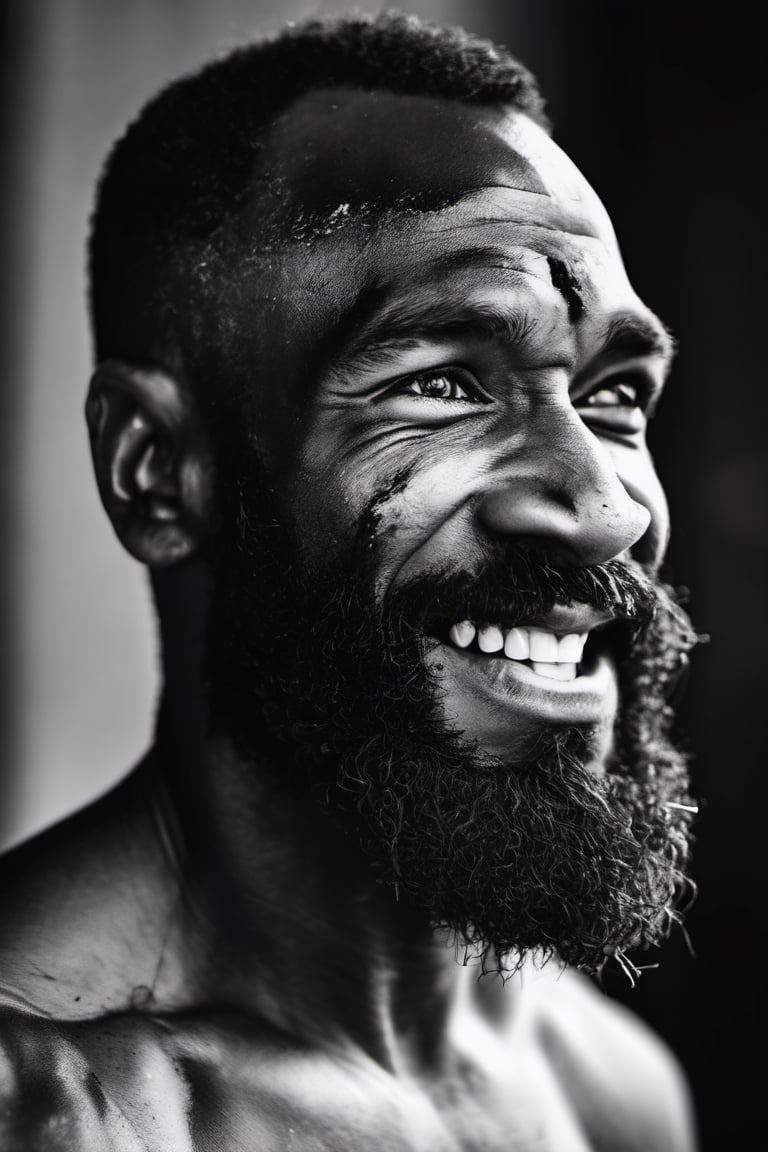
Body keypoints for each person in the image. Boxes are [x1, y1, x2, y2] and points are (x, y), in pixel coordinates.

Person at [0, 10, 701, 1150]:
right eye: (441, 382)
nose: (607, 510)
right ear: (159, 474)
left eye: (614, 395)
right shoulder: (46, 1108)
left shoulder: (610, 1091)